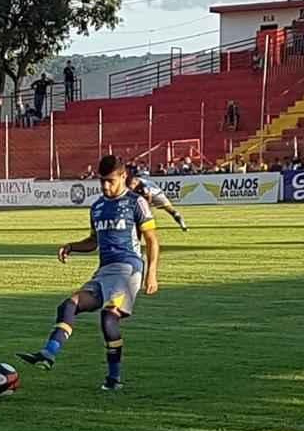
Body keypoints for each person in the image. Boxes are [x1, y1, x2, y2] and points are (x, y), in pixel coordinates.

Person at [16, 155, 160, 391]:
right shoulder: (97, 207)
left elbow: (152, 240)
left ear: (123, 177)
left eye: (110, 181)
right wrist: (72, 246)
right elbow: (94, 242)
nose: (105, 186)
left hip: (128, 269)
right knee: (69, 305)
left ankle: (114, 380)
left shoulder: (136, 203)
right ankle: (48, 354)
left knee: (109, 318)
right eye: (102, 181)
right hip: (104, 271)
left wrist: (151, 273)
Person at [127, 164, 189, 232]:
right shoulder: (132, 181)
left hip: (157, 195)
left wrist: (147, 206)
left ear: (135, 183)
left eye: (131, 187)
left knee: (170, 210)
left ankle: (183, 225)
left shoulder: (144, 185)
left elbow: (149, 196)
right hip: (145, 194)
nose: (130, 188)